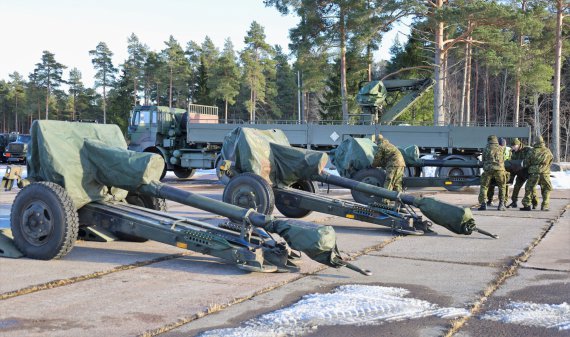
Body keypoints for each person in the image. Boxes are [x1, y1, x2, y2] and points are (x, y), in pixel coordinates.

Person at [520, 136, 553, 211]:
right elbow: (551, 161)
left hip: (534, 173)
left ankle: (527, 205)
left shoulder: (532, 151)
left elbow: (526, 163)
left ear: (535, 142)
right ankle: (545, 205)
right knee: (546, 189)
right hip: (545, 173)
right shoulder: (548, 151)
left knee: (529, 188)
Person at [478, 135, 506, 211]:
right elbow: (503, 159)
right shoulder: (501, 148)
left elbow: (483, 160)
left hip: (488, 170)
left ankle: (483, 204)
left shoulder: (486, 148)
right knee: (502, 187)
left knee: (484, 186)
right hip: (499, 170)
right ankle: (501, 204)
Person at [507, 138, 538, 208]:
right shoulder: (514, 153)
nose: (513, 147)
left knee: (531, 188)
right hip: (520, 173)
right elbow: (513, 166)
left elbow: (533, 158)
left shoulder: (527, 149)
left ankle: (534, 203)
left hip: (529, 172)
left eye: (514, 146)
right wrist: (511, 179)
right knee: (516, 187)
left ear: (518, 144)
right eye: (512, 146)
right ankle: (514, 202)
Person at [486, 137, 511, 205]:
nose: (502, 147)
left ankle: (504, 202)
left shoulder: (508, 150)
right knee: (492, 185)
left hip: (504, 170)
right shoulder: (498, 149)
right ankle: (490, 200)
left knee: (504, 186)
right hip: (500, 170)